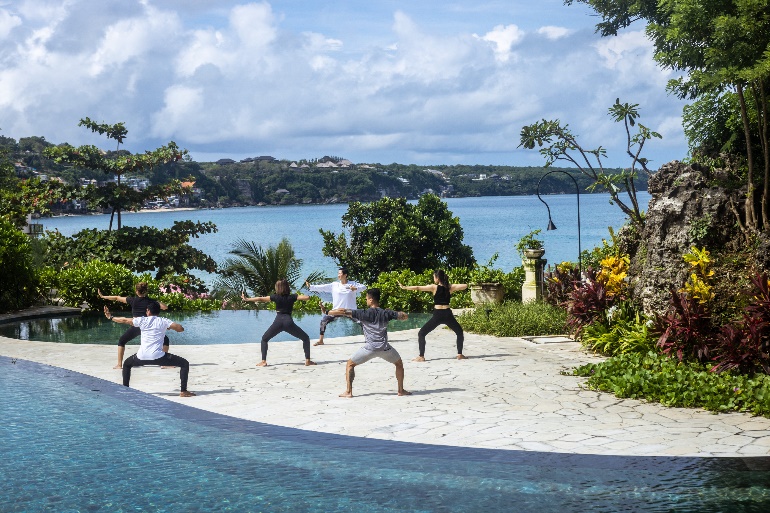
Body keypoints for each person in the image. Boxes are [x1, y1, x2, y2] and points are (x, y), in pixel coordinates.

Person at [327, 288, 411, 398]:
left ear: (371, 300)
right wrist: (391, 312)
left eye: (367, 298)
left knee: (350, 364)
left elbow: (343, 311)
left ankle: (349, 392)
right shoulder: (386, 313)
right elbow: (404, 316)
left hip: (369, 349)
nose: (366, 300)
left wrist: (328, 312)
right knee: (399, 364)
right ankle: (400, 390)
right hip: (385, 349)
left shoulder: (362, 313)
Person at [103, 302, 195, 397]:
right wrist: (169, 327)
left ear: (148, 311)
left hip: (141, 357)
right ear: (158, 312)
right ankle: (183, 391)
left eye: (146, 310)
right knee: (184, 364)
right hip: (159, 357)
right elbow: (180, 328)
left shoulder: (142, 320)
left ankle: (126, 389)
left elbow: (124, 320)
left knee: (126, 364)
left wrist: (110, 317)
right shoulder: (163, 321)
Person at [242, 279, 316, 367]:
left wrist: (247, 299)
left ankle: (263, 361)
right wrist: (308, 290)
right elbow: (307, 297)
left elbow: (261, 298)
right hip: (289, 322)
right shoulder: (292, 297)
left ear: (278, 288)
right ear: (287, 287)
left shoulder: (275, 297)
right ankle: (308, 360)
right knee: (305, 338)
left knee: (264, 339)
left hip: (278, 322)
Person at [398, 269, 468, 361]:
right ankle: (460, 354)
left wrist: (404, 287)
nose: (433, 279)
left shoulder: (434, 287)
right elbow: (465, 286)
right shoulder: (450, 287)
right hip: (447, 314)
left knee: (422, 333)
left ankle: (421, 356)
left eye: (434, 277)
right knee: (459, 332)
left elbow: (418, 287)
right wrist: (452, 286)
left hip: (438, 315)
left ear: (437, 278)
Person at [98, 282, 169, 369]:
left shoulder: (132, 300)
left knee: (122, 341)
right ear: (146, 291)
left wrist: (103, 296)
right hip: (148, 327)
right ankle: (164, 364)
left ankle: (119, 365)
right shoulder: (151, 301)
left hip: (136, 326)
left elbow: (117, 298)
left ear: (136, 291)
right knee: (165, 340)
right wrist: (155, 301)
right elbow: (165, 307)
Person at [305, 267, 365, 346]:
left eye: (340, 273)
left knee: (363, 323)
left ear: (345, 275)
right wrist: (311, 287)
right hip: (337, 310)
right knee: (323, 321)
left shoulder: (352, 284)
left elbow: (364, 287)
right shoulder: (334, 285)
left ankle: (369, 339)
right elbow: (323, 287)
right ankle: (321, 340)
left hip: (350, 310)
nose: (338, 275)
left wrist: (356, 288)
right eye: (338, 273)